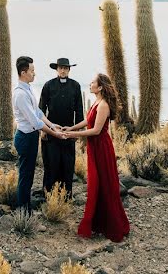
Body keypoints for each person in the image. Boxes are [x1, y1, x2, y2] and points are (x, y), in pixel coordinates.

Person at [64, 73, 130, 242]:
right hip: (95, 147)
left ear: (100, 87)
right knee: (96, 184)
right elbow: (88, 121)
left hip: (101, 147)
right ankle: (99, 223)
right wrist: (70, 128)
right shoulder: (97, 102)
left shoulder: (103, 105)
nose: (90, 84)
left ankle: (110, 225)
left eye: (93, 82)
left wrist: (73, 135)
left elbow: (96, 131)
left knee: (103, 183)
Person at [12, 56, 65, 214]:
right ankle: (23, 211)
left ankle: (26, 208)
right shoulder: (20, 94)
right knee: (25, 176)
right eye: (32, 71)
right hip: (25, 138)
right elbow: (35, 122)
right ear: (23, 72)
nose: (34, 74)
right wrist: (55, 134)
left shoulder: (28, 88)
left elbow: (38, 112)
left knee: (29, 174)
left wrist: (52, 125)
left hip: (31, 137)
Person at [39, 57, 83, 198]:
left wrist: (77, 132)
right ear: (57, 69)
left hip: (69, 131)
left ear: (69, 70)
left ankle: (66, 195)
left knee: (68, 164)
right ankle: (49, 195)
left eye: (65, 68)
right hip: (52, 130)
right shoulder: (48, 85)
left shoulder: (75, 86)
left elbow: (79, 110)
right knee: (51, 163)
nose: (63, 70)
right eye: (60, 68)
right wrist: (43, 129)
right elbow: (41, 109)